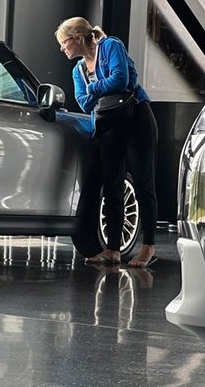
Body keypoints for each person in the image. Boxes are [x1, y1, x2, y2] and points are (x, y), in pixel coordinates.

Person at [55, 17, 158, 267]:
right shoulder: (77, 70)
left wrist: (94, 89)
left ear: (78, 37)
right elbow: (83, 102)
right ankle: (113, 249)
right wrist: (101, 88)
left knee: (144, 182)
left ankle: (148, 247)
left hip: (136, 118)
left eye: (64, 42)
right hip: (107, 125)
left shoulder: (111, 46)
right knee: (112, 185)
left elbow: (121, 80)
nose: (62, 48)